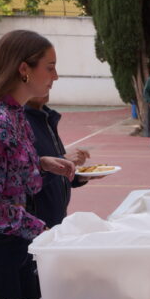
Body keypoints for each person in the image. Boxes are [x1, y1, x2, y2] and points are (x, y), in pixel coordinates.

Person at [0, 30, 75, 299]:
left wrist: (42, 163)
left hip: (18, 248)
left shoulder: (17, 115)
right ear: (24, 69)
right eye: (50, 67)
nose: (55, 76)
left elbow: (8, 169)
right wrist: (44, 231)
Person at [25, 93, 90, 228]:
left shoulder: (45, 118)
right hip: (34, 228)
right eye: (49, 70)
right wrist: (64, 160)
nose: (54, 78)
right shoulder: (19, 121)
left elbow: (50, 171)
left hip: (53, 223)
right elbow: (20, 178)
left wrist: (78, 176)